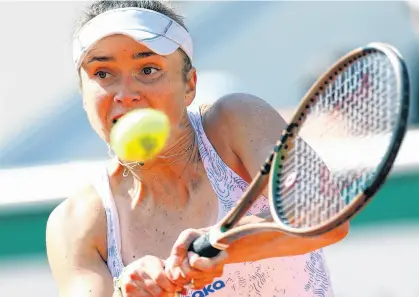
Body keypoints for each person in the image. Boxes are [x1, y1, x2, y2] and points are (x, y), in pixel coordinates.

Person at [46, 1, 349, 297]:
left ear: (189, 85)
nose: (126, 94)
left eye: (148, 69)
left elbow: (325, 217)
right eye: (102, 74)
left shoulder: (238, 121)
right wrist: (126, 292)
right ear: (83, 95)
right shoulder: (76, 224)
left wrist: (220, 244)